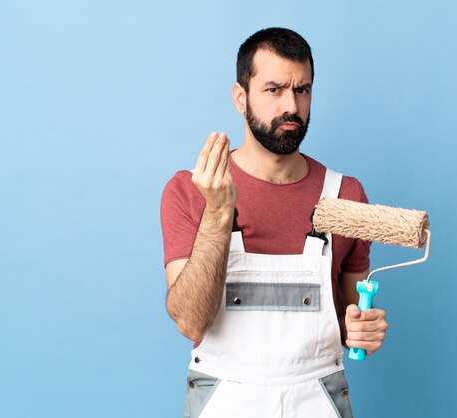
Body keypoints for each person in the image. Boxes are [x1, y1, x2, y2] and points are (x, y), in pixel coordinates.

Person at [161, 27, 389, 418]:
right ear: (240, 97)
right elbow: (191, 321)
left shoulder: (345, 196)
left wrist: (362, 331)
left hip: (318, 398)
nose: (292, 106)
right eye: (274, 90)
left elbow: (350, 320)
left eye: (302, 90)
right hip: (224, 400)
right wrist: (218, 212)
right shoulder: (191, 191)